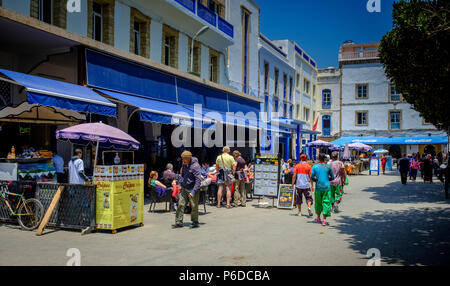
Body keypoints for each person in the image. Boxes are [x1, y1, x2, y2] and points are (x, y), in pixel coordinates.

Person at [173, 151, 202, 229]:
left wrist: (193, 192)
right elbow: (182, 175)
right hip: (184, 188)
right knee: (180, 204)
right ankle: (178, 222)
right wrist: (180, 184)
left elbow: (198, 180)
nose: (182, 160)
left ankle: (195, 222)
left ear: (188, 158)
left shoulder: (195, 166)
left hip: (192, 188)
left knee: (193, 206)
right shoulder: (184, 164)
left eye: (183, 159)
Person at [311, 153, 335, 226]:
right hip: (327, 187)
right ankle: (324, 220)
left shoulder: (314, 167)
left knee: (318, 203)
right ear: (325, 159)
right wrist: (328, 179)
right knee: (326, 202)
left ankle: (318, 217)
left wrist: (316, 180)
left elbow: (312, 177)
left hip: (318, 187)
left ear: (318, 158)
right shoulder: (328, 167)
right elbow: (332, 177)